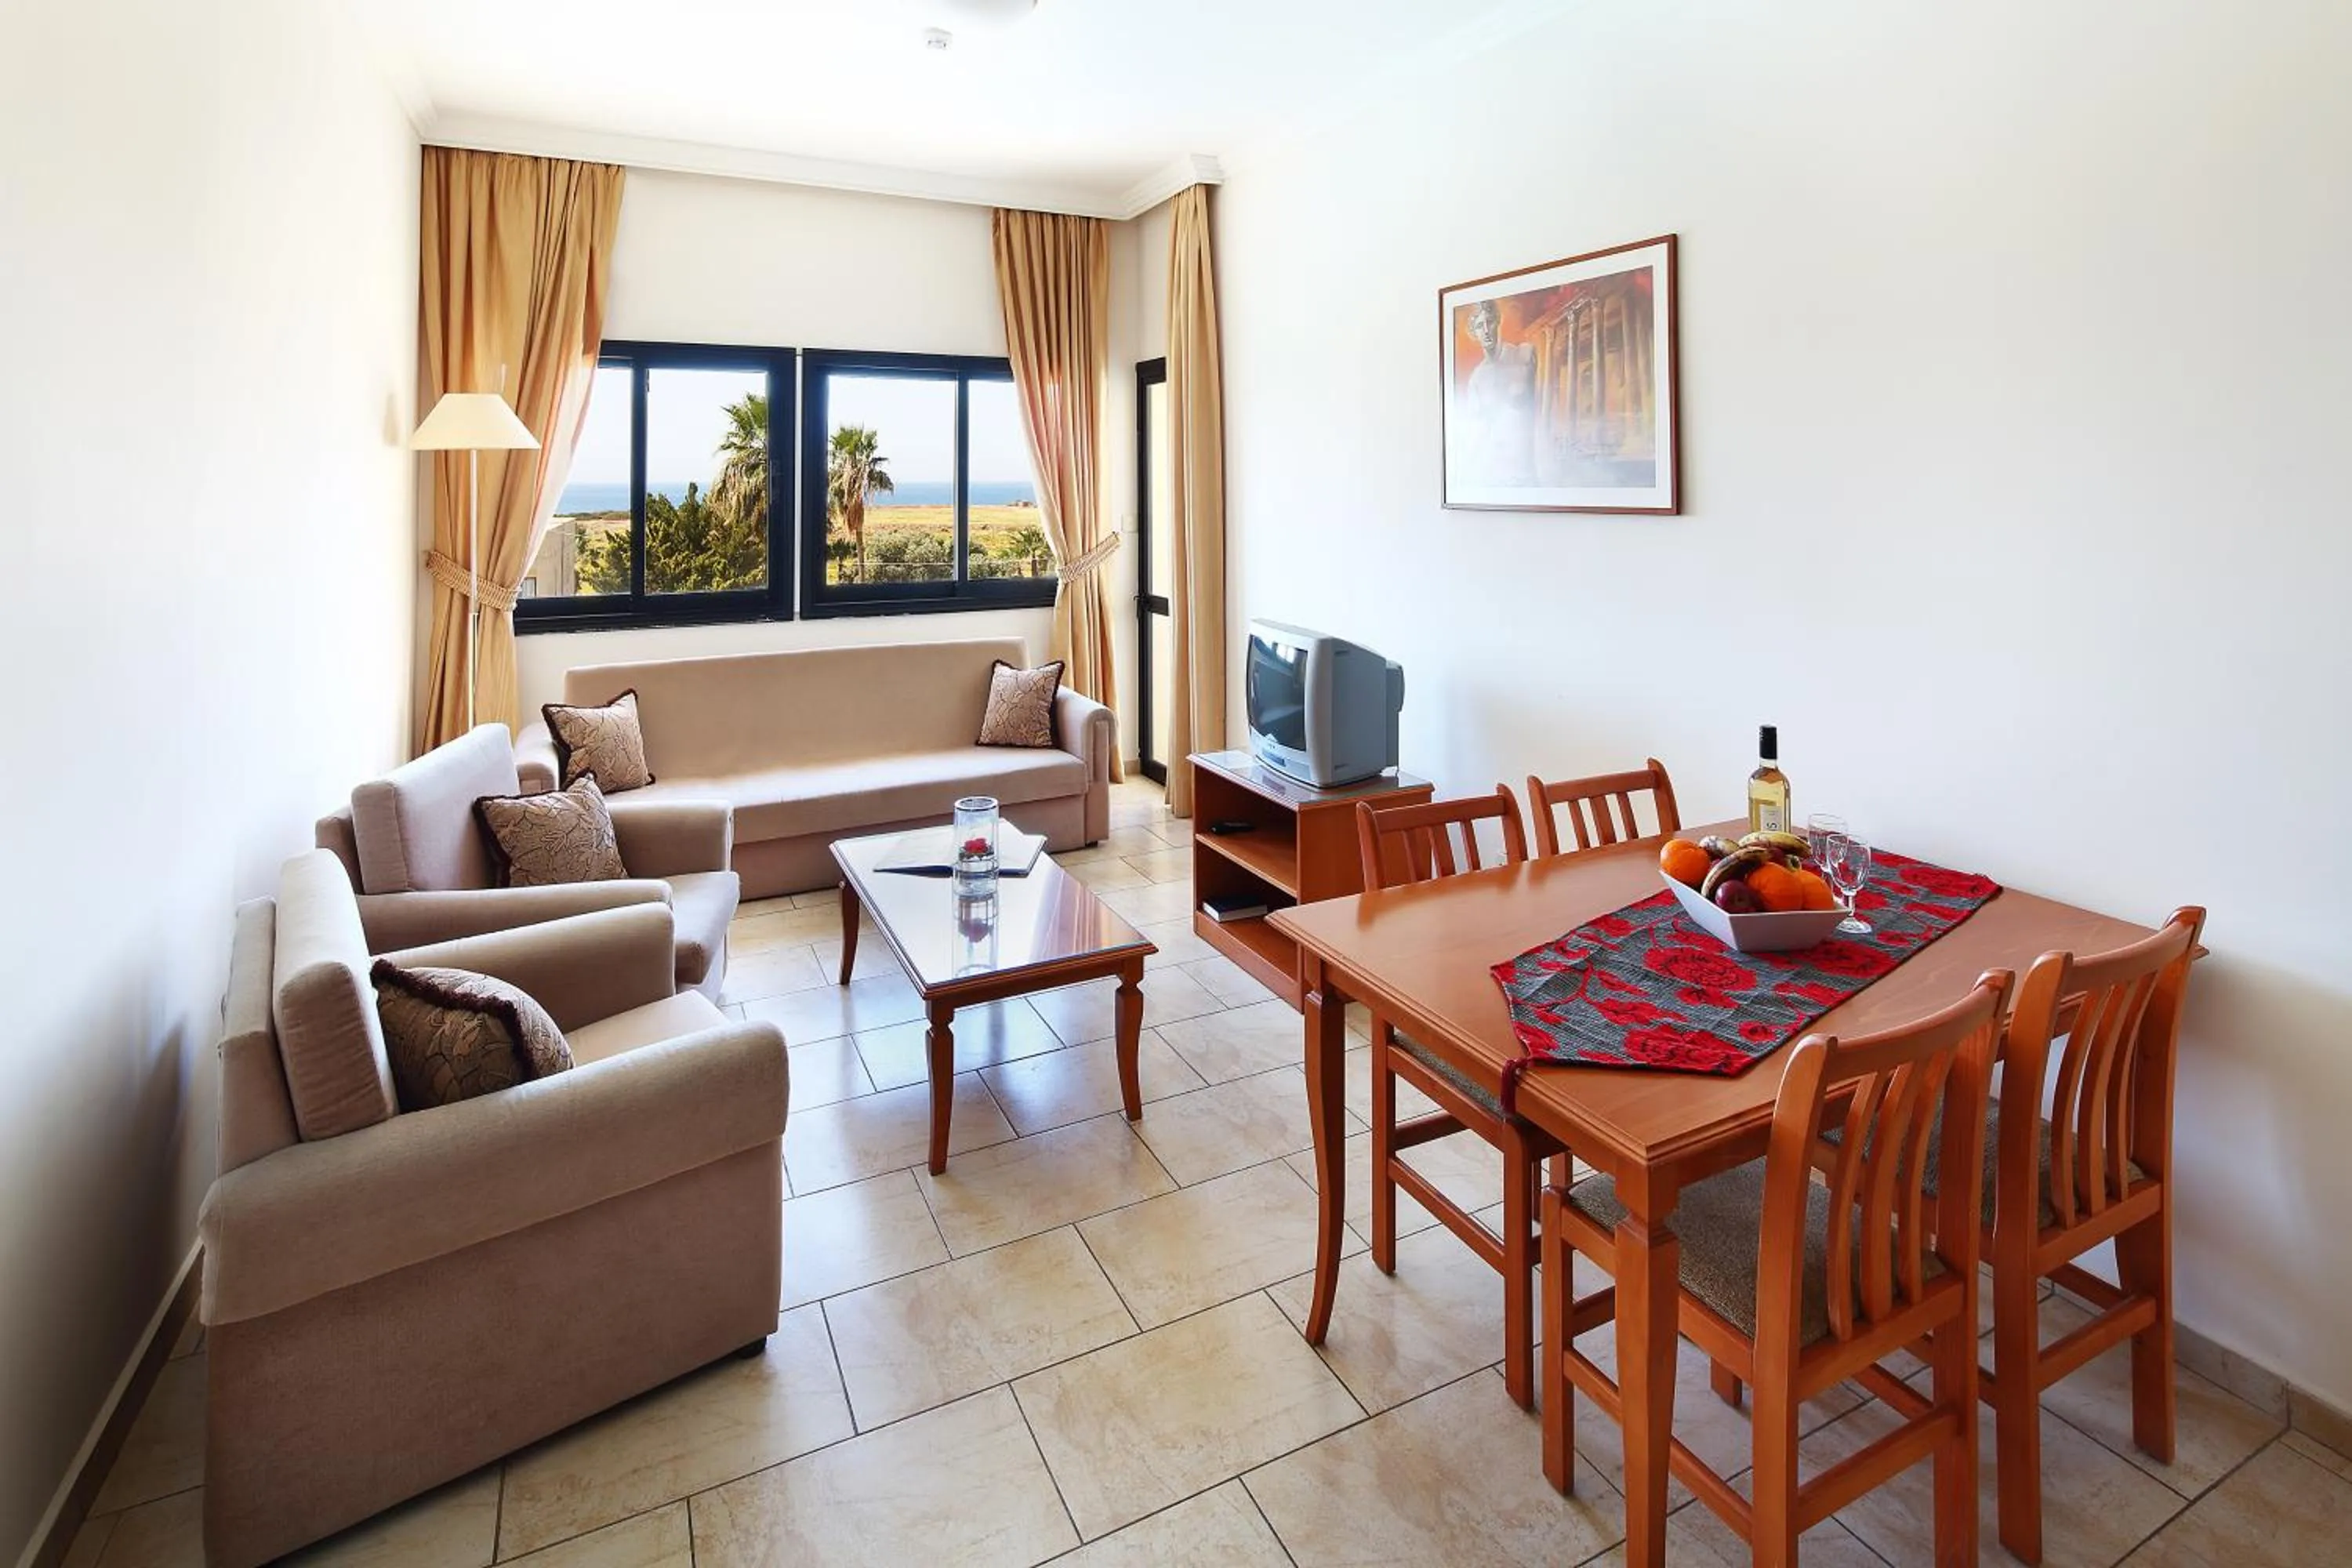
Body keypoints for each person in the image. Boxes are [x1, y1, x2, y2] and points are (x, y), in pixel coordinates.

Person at [1458, 298, 1538, 486]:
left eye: (1489, 322)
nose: (1486, 330)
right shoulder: (1476, 379)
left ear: (1497, 321)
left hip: (1526, 474)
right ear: (1474, 333)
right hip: (1494, 477)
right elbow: (1477, 434)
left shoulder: (1524, 354)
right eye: (1479, 326)